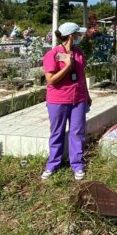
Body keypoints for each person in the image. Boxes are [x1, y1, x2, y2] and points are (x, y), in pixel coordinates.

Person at [42, 22, 91, 181]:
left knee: (77, 132)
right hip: (58, 100)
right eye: (78, 34)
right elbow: (51, 80)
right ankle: (52, 164)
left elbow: (81, 76)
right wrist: (67, 67)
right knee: (57, 132)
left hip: (78, 99)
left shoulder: (78, 53)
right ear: (71, 36)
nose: (80, 37)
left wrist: (87, 95)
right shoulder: (53, 54)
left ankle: (77, 164)